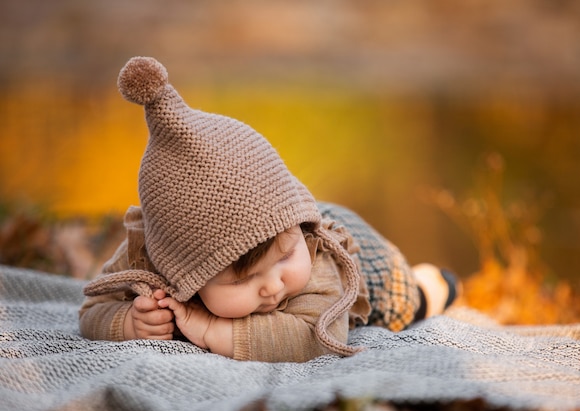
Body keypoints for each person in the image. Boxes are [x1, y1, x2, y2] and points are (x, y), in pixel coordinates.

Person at [80, 56, 459, 363]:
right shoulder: (153, 253)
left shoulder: (313, 261)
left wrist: (214, 331)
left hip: (371, 264)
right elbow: (94, 306)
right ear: (178, 268)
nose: (273, 285)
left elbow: (314, 339)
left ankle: (432, 285)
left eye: (285, 257)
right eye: (243, 280)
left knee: (410, 302)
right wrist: (128, 323)